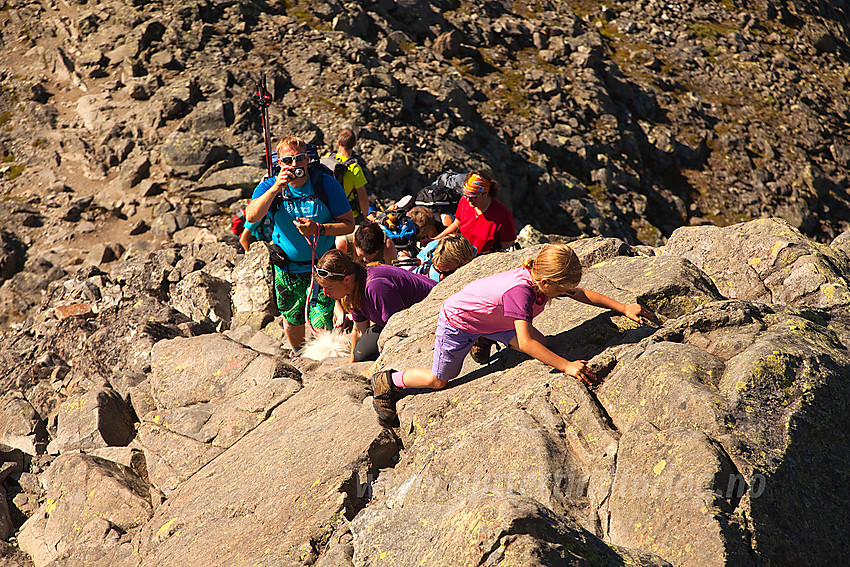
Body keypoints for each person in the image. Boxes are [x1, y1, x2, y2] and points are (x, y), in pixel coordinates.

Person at [368, 243, 653, 423]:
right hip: (459, 322)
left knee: (546, 344)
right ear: (544, 281)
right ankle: (388, 381)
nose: (565, 292)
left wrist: (623, 307)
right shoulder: (521, 294)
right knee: (440, 380)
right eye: (561, 287)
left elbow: (579, 293)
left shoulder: (541, 279)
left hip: (494, 319)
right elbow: (526, 342)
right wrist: (566, 366)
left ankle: (485, 336)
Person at [244, 135, 355, 351]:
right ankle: (299, 355)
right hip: (286, 267)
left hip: (322, 268)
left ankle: (324, 361)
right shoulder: (270, 186)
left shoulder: (325, 184)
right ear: (279, 163)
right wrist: (276, 188)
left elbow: (349, 224)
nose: (294, 165)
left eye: (300, 158)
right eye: (287, 160)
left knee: (321, 317)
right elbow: (251, 216)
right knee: (292, 316)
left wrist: (319, 229)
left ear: (307, 160)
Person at [314, 249, 436, 363]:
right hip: (392, 321)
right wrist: (352, 362)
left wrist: (378, 365)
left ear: (347, 280)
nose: (325, 293)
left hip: (427, 312)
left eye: (329, 287)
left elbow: (399, 329)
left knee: (368, 353)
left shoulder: (375, 287)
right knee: (361, 354)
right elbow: (358, 329)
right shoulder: (354, 286)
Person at [432, 172, 517, 255]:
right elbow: (457, 223)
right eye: (465, 195)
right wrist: (435, 240)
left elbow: (507, 248)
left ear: (485, 193)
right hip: (462, 254)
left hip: (484, 259)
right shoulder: (464, 201)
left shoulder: (502, 215)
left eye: (473, 197)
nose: (468, 200)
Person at [328, 128, 372, 223]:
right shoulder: (354, 168)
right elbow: (363, 198)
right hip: (348, 215)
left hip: (328, 212)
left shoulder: (327, 159)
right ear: (354, 144)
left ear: (339, 143)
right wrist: (365, 217)